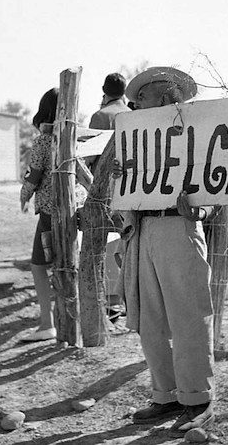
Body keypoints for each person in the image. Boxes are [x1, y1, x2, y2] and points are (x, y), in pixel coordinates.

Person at [112, 66, 215, 433]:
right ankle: (166, 394)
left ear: (168, 98)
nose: (134, 103)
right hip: (143, 230)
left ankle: (197, 397)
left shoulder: (197, 134)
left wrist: (201, 209)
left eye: (143, 98)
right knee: (149, 318)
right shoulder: (135, 139)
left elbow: (219, 183)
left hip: (179, 226)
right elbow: (124, 181)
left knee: (187, 314)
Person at [87, 72, 129, 321]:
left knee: (109, 237)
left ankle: (111, 302)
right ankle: (125, 297)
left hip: (106, 183)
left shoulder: (100, 115)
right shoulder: (132, 113)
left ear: (104, 91)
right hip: (132, 183)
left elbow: (91, 153)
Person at [19, 87, 59, 342]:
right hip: (72, 208)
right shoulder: (74, 137)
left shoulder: (43, 140)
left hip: (47, 209)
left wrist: (23, 195)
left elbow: (34, 174)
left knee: (39, 265)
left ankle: (47, 323)